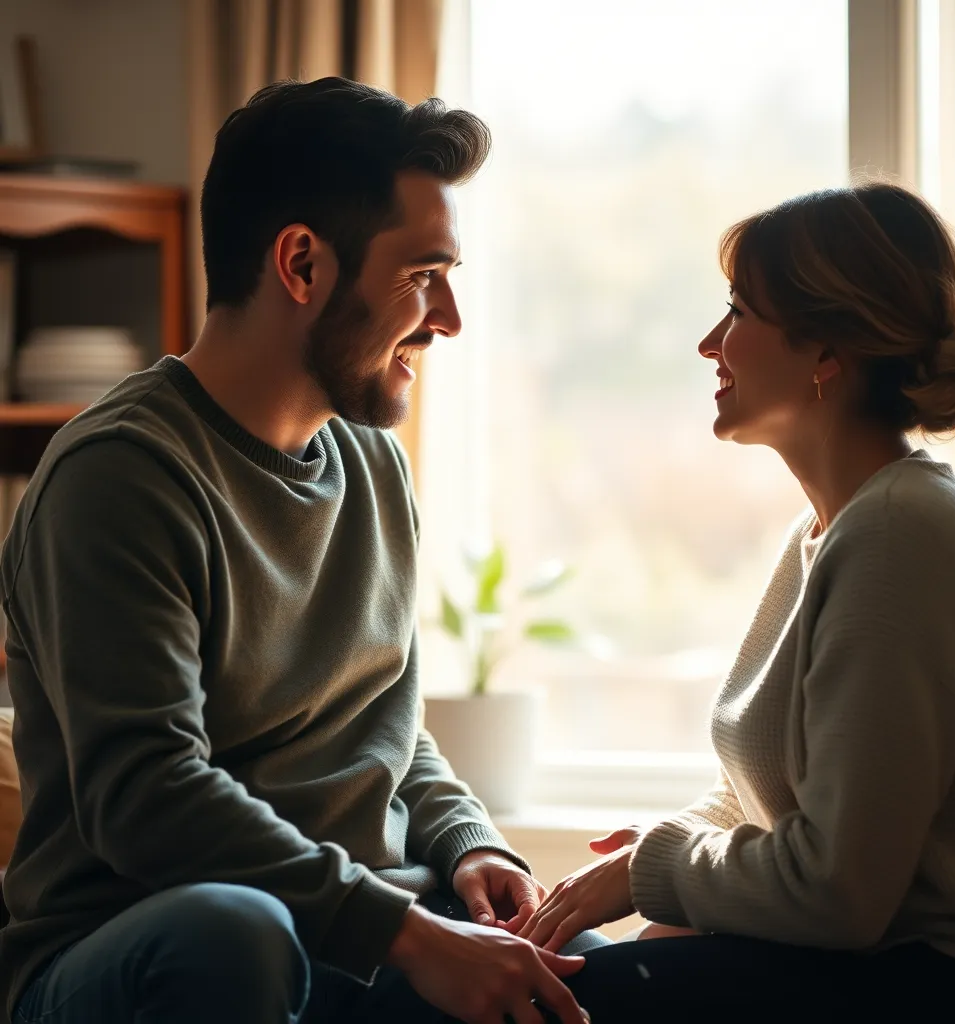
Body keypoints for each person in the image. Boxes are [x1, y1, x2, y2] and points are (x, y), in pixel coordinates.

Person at [0, 78, 600, 1024]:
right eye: (420, 276)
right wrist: (405, 934)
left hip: (348, 927)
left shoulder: (372, 463)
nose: (447, 318)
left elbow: (385, 727)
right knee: (237, 935)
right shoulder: (121, 476)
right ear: (302, 264)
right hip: (148, 946)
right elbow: (146, 797)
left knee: (578, 965)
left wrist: (472, 846)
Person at [517, 183, 955, 1023]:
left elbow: (840, 891)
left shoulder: (903, 535)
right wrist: (649, 858)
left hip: (946, 984)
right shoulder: (837, 528)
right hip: (877, 964)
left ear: (826, 351)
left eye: (738, 313)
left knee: (525, 1000)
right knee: (568, 969)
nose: (711, 344)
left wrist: (652, 871)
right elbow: (769, 802)